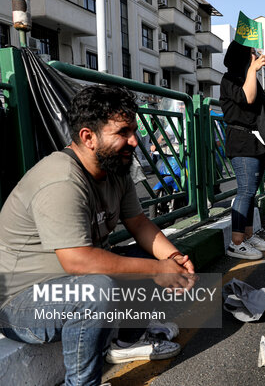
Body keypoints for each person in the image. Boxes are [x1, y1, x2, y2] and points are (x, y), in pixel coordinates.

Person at [0, 85, 194, 386]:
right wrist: (158, 269)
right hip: (21, 302)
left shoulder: (116, 169)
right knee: (97, 289)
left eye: (134, 129)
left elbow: (139, 223)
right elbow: (79, 262)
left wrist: (173, 259)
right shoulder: (61, 179)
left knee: (146, 256)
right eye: (123, 132)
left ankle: (126, 343)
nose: (134, 140)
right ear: (88, 137)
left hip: (69, 283)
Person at [220, 41, 265, 260]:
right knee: (245, 191)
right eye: (252, 53)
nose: (256, 56)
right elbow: (248, 98)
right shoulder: (229, 79)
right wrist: (252, 70)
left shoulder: (246, 77)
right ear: (242, 56)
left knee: (251, 192)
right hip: (241, 141)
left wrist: (251, 72)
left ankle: (248, 235)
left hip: (254, 140)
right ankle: (236, 243)